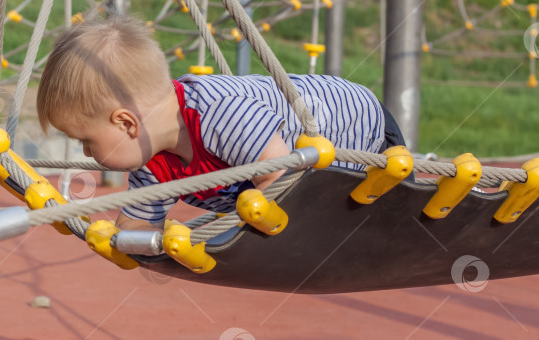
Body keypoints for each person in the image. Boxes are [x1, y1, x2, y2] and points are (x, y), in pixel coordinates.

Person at [36, 14, 408, 231]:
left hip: (360, 133)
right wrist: (108, 239)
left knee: (373, 221)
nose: (84, 152)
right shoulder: (152, 161)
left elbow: (282, 180)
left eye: (86, 141)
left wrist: (235, 244)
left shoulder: (220, 116)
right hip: (319, 161)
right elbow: (137, 223)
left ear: (127, 123)